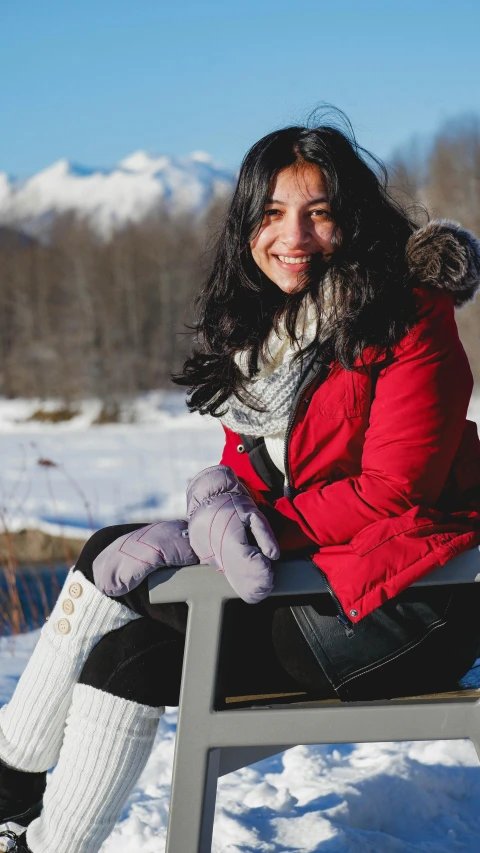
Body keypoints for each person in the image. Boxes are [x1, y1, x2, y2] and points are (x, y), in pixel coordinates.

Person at [1, 114, 480, 853]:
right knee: (122, 661)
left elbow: (395, 492)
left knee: (110, 559)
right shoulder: (269, 337)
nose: (293, 236)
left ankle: (5, 791)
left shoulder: (410, 315)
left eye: (319, 213)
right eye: (272, 213)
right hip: (312, 582)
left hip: (402, 605)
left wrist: (232, 535)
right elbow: (249, 474)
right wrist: (215, 503)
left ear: (351, 220)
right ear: (246, 226)